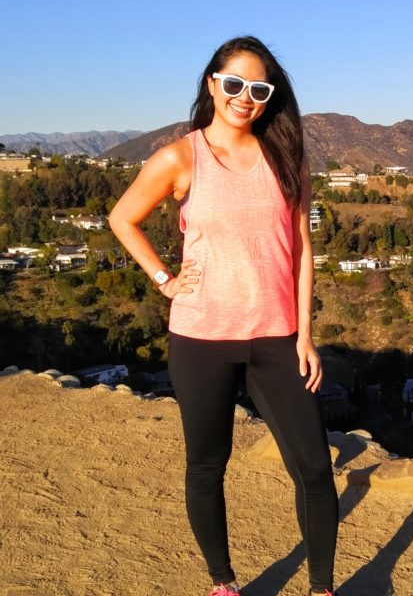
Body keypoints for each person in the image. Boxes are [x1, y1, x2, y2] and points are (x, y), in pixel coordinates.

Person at [109, 36, 338, 596]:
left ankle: (322, 588)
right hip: (201, 337)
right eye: (233, 83)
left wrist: (306, 336)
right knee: (208, 465)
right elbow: (123, 218)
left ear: (269, 96)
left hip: (276, 336)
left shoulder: (289, 157)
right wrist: (165, 279)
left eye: (258, 89)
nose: (245, 97)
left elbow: (303, 249)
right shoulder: (180, 158)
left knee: (313, 468)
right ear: (212, 83)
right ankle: (223, 583)